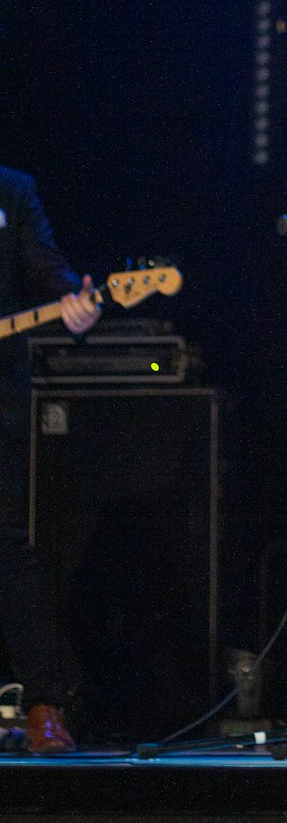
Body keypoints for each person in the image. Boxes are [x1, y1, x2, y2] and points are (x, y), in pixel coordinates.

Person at [0, 164, 101, 754]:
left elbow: (46, 271)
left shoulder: (12, 189)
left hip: (0, 400)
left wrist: (74, 300)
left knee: (9, 551)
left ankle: (45, 704)